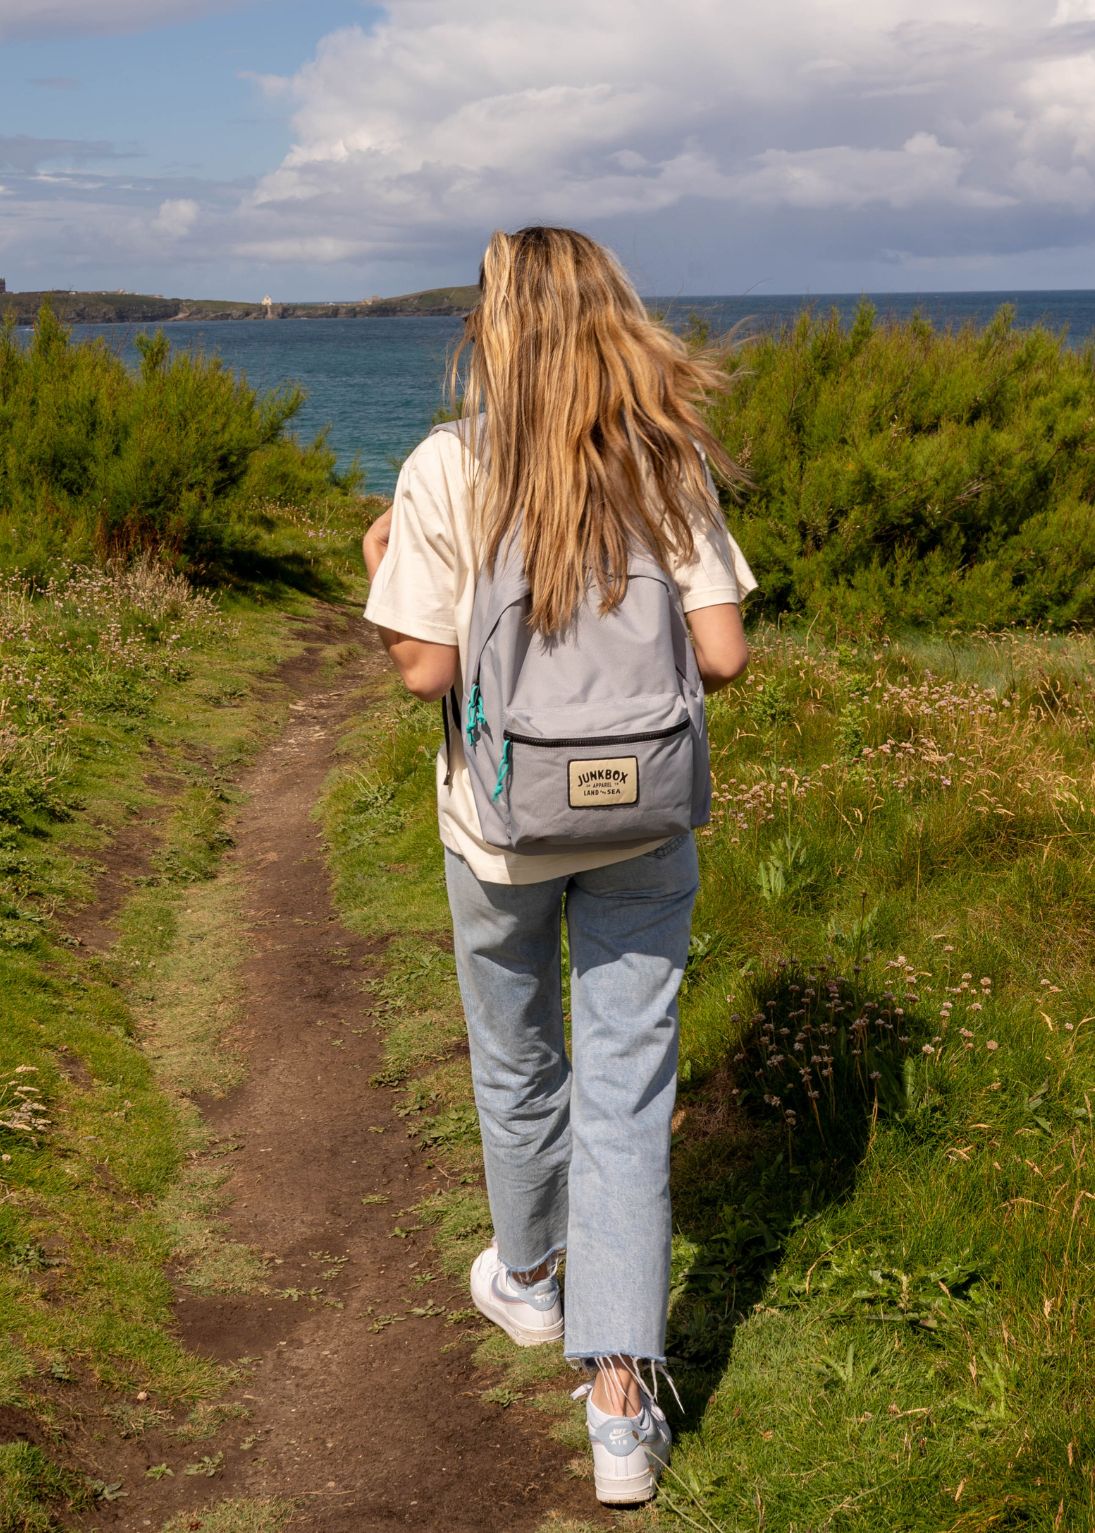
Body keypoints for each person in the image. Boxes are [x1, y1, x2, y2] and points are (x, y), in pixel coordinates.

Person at [362, 226, 755, 1506]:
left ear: (497, 328)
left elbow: (422, 665)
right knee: (629, 1092)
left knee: (519, 1050)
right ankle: (622, 1412)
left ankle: (529, 1281)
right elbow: (725, 654)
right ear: (608, 320)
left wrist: (382, 563)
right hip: (644, 822)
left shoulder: (445, 468)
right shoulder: (667, 460)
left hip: (500, 824)